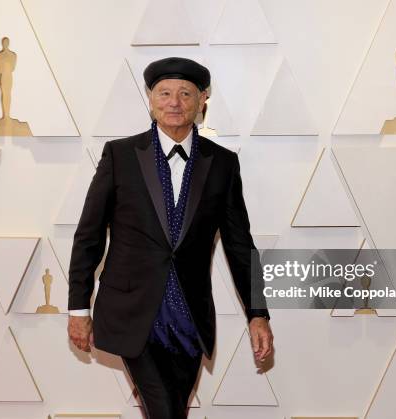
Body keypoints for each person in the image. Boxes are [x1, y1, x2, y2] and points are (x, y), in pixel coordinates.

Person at [67, 56, 273, 419]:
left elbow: (241, 245)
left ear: (202, 99)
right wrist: (79, 308)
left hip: (189, 318)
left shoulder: (222, 163)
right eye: (164, 93)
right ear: (150, 99)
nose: (174, 102)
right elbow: (89, 235)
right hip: (133, 314)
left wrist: (258, 314)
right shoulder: (120, 155)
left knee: (173, 411)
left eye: (185, 93)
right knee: (164, 409)